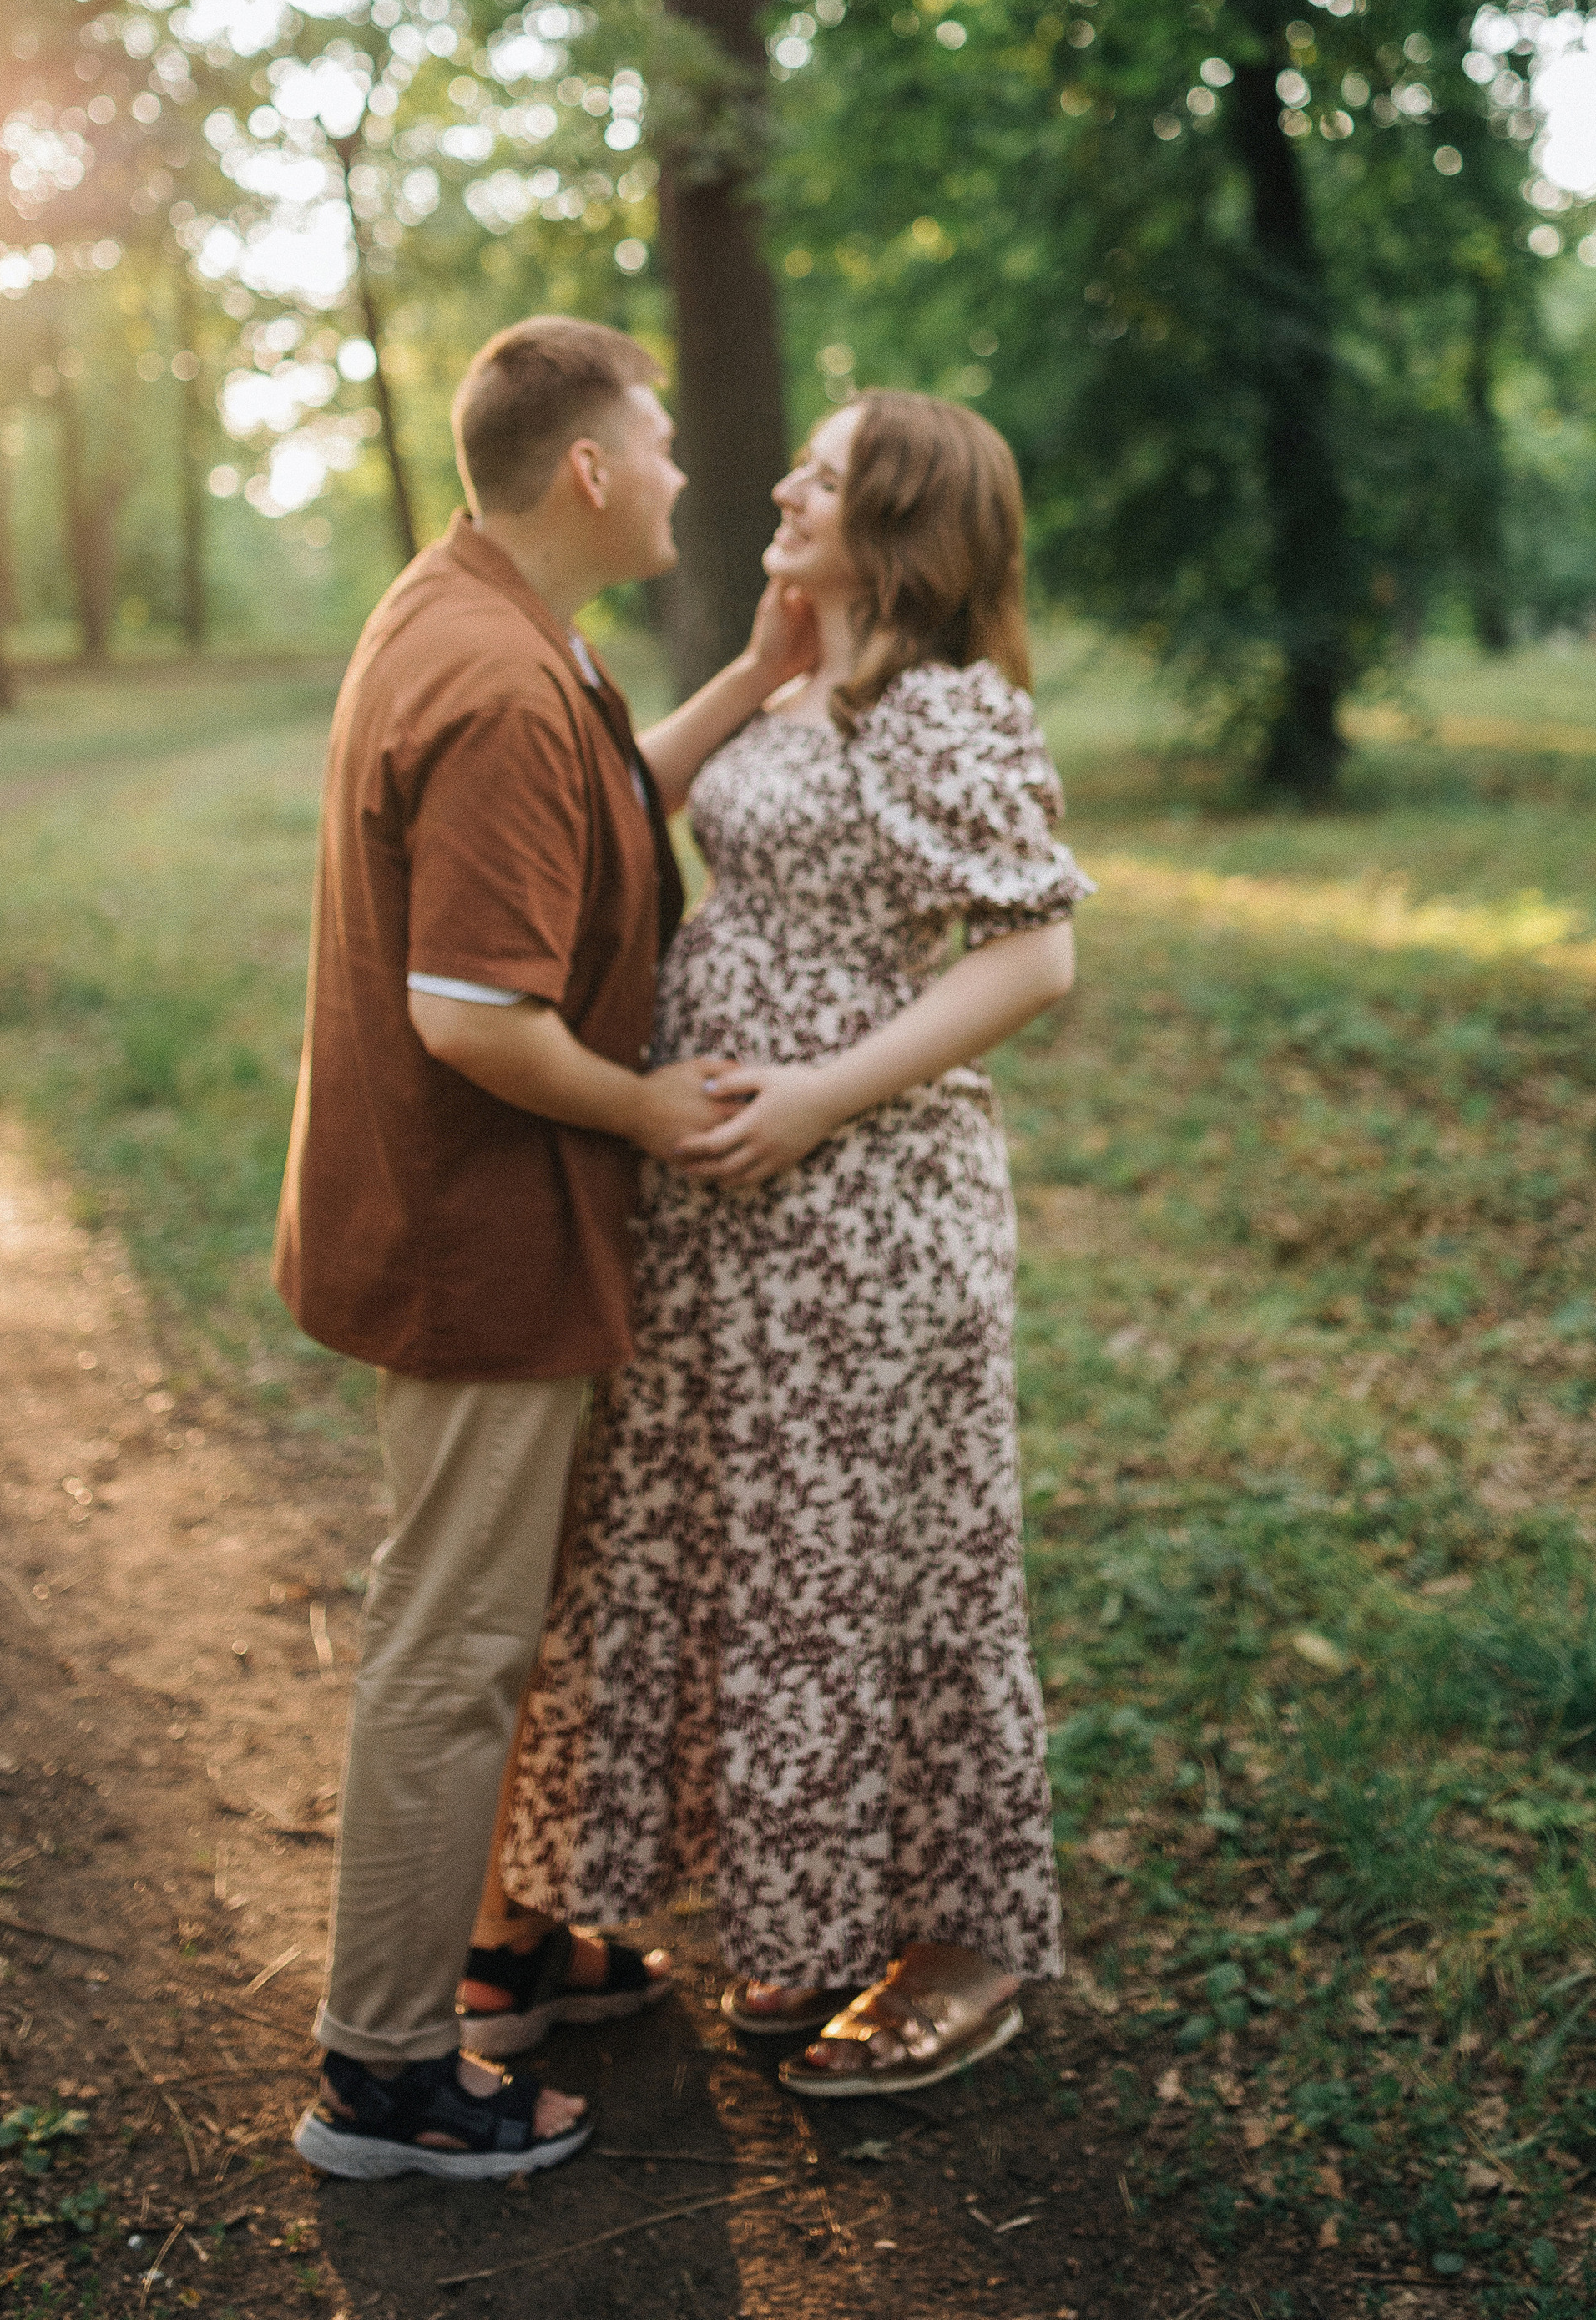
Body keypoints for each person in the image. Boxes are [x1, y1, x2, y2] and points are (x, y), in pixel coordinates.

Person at [499, 387, 1092, 2097]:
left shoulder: (946, 711)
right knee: (770, 1564)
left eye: (820, 478)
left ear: (897, 517)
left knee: (887, 1568)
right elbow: (623, 806)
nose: (779, 484)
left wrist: (822, 1095)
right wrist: (758, 670)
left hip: (867, 1212)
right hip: (730, 1216)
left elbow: (1031, 959)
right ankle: (824, 1919)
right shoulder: (799, 690)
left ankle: (960, 1942)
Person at [278, 315, 815, 2182]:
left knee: (483, 1631)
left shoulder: (492, 622)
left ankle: (497, 1950)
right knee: (450, 1649)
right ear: (587, 471)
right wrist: (658, 1109)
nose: (684, 475)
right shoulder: (500, 682)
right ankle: (385, 2073)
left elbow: (593, 825)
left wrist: (749, 675)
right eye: (660, 445)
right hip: (476, 1241)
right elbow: (471, 1015)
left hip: (489, 1228)